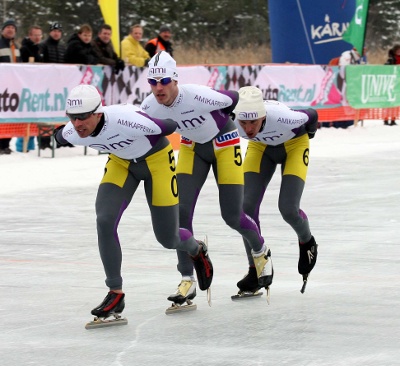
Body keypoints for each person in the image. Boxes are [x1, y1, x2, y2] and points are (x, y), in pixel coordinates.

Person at [53, 84, 213, 319]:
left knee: (168, 239)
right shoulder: (73, 131)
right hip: (122, 164)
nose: (78, 124)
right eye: (72, 118)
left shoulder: (126, 119)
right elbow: (59, 135)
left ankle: (196, 250)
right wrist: (58, 133)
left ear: (98, 113)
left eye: (83, 118)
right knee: (105, 219)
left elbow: (168, 126)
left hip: (157, 160)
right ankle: (115, 292)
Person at [140, 51, 272, 305]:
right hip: (192, 148)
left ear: (175, 79)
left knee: (232, 215)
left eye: (164, 81)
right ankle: (187, 279)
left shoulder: (198, 94)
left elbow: (236, 98)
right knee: (181, 213)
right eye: (153, 82)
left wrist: (250, 121)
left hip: (224, 143)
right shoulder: (149, 106)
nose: (158, 88)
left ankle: (260, 251)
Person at [232, 86, 318, 292]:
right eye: (243, 123)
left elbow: (312, 115)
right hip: (261, 148)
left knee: (288, 209)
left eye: (253, 121)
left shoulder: (283, 116)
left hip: (294, 145)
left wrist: (311, 134)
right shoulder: (231, 120)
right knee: (245, 208)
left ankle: (307, 242)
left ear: (263, 116)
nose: (249, 128)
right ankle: (255, 267)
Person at [16, 25, 44, 153]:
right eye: (35, 35)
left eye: (40, 35)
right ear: (30, 35)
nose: (38, 37)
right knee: (25, 117)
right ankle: (22, 146)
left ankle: (31, 146)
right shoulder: (25, 48)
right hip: (25, 87)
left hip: (37, 87)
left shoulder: (40, 48)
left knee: (34, 117)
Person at [39, 22, 66, 150]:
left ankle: (59, 139)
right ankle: (44, 142)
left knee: (60, 113)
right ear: (50, 32)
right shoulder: (43, 45)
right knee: (46, 114)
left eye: (59, 31)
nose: (56, 33)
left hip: (59, 85)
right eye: (54, 31)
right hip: (46, 86)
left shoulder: (62, 47)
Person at [0, 19, 21, 155]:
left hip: (12, 86)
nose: (10, 30)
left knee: (9, 114)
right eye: (7, 27)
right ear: (2, 30)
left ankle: (5, 144)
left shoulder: (16, 47)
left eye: (13, 28)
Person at [383, 44, 400, 126]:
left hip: (398, 83)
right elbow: (386, 69)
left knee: (396, 103)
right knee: (388, 102)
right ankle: (386, 119)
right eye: (398, 50)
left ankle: (393, 119)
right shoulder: (391, 59)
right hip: (391, 82)